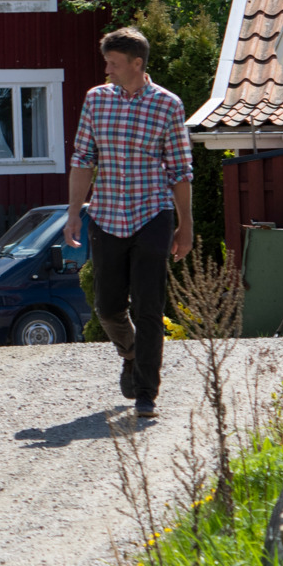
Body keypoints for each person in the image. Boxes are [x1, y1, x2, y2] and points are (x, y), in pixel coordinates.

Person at [61, 26, 195, 421]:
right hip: (105, 214)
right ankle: (131, 352)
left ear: (137, 64)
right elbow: (83, 159)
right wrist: (73, 214)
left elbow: (181, 171)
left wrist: (184, 225)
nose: (107, 70)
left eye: (114, 63)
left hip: (152, 213)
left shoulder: (168, 105)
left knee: (150, 307)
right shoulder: (96, 101)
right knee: (107, 306)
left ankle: (146, 393)